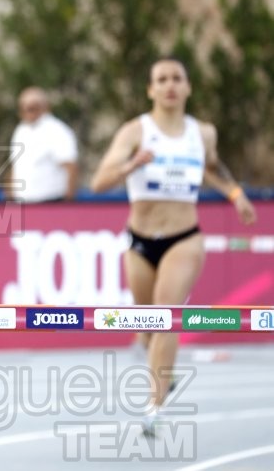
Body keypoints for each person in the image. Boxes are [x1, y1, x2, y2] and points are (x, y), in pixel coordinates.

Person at [90, 58, 256, 436]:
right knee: (147, 323)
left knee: (165, 315)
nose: (169, 85)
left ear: (187, 87)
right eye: (161, 79)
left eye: (176, 79)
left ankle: (153, 406)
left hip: (184, 237)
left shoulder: (203, 133)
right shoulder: (135, 131)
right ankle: (165, 373)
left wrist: (236, 194)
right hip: (140, 240)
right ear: (150, 89)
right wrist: (130, 166)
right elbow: (99, 181)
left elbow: (212, 166)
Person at [7, 87, 78, 202]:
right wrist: (9, 195)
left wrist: (68, 201)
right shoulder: (21, 130)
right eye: (23, 108)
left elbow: (70, 166)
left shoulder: (57, 130)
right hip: (23, 201)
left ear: (44, 107)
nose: (27, 112)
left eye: (32, 108)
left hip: (51, 201)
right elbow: (15, 165)